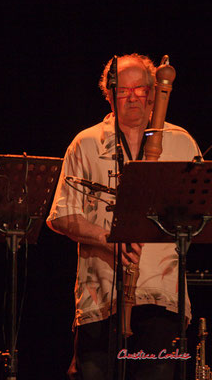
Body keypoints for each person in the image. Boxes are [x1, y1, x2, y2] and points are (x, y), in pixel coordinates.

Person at [46, 53, 200, 380]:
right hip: (99, 301)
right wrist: (107, 241)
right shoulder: (85, 144)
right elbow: (61, 215)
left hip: (162, 297)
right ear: (109, 95)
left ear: (155, 92)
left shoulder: (181, 142)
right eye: (122, 91)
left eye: (140, 89)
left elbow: (200, 214)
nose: (132, 98)